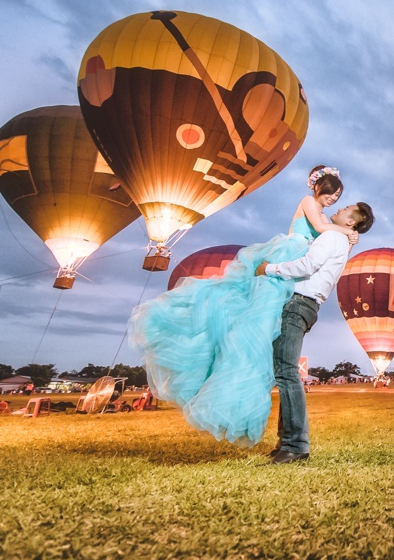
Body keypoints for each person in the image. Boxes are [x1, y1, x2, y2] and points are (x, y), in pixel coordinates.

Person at [128, 165, 361, 446]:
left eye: (339, 196)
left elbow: (321, 248)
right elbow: (322, 230)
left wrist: (347, 233)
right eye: (333, 192)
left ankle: (291, 440)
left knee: (271, 350)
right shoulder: (310, 203)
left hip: (293, 278)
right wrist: (349, 232)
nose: (334, 198)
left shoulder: (329, 224)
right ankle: (291, 440)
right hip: (287, 261)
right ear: (318, 186)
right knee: (260, 328)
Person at [255, 202, 375, 464]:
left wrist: (269, 269)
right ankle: (285, 440)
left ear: (351, 221)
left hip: (298, 302)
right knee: (284, 371)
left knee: (286, 372)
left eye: (345, 208)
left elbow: (307, 266)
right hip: (309, 306)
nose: (340, 208)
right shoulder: (342, 242)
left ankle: (295, 445)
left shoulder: (332, 236)